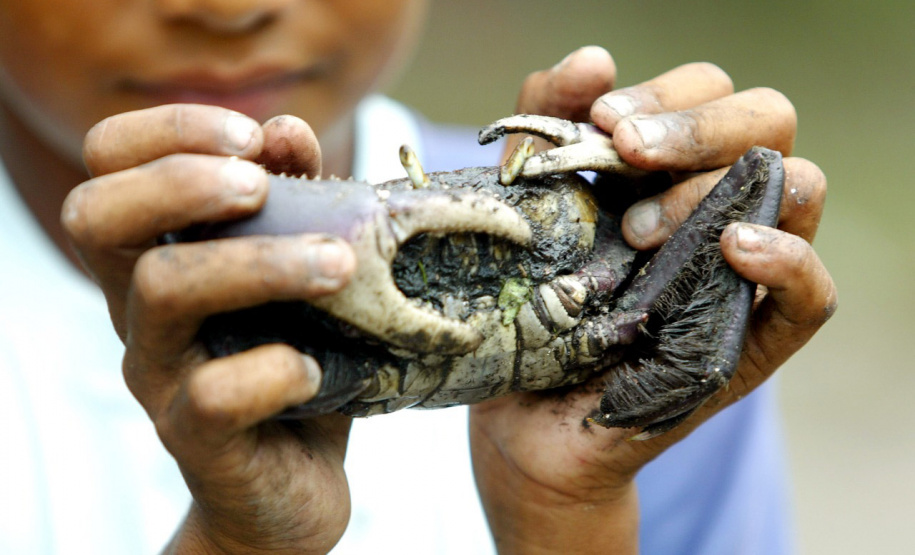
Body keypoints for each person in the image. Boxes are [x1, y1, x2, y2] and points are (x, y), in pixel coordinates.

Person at [0, 0, 837, 553]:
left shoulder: (646, 295)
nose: (230, 9)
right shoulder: (263, 311)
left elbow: (699, 297)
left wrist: (564, 513)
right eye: (411, 233)